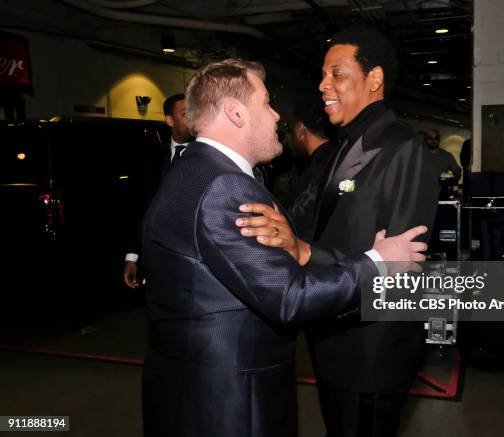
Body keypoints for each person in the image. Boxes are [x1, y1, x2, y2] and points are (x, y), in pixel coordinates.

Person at [140, 58, 430, 437]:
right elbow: (288, 297)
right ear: (235, 113)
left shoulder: (194, 169)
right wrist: (378, 261)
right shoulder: (224, 186)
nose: (277, 116)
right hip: (228, 399)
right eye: (266, 103)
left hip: (190, 386)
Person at [237, 26, 439, 436]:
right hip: (336, 339)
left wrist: (306, 252)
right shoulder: (347, 144)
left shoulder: (402, 148)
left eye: (337, 73)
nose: (323, 84)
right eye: (323, 74)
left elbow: (401, 266)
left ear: (375, 79)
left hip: (371, 351)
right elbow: (332, 230)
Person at [122, 93, 193, 288]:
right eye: (186, 113)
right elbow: (143, 208)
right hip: (158, 267)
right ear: (170, 120)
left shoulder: (207, 158)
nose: (193, 118)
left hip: (194, 268)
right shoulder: (152, 159)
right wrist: (132, 256)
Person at [285, 93, 337, 239]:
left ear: (300, 129)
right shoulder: (332, 156)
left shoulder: (323, 164)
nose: (289, 136)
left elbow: (296, 218)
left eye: (291, 129)